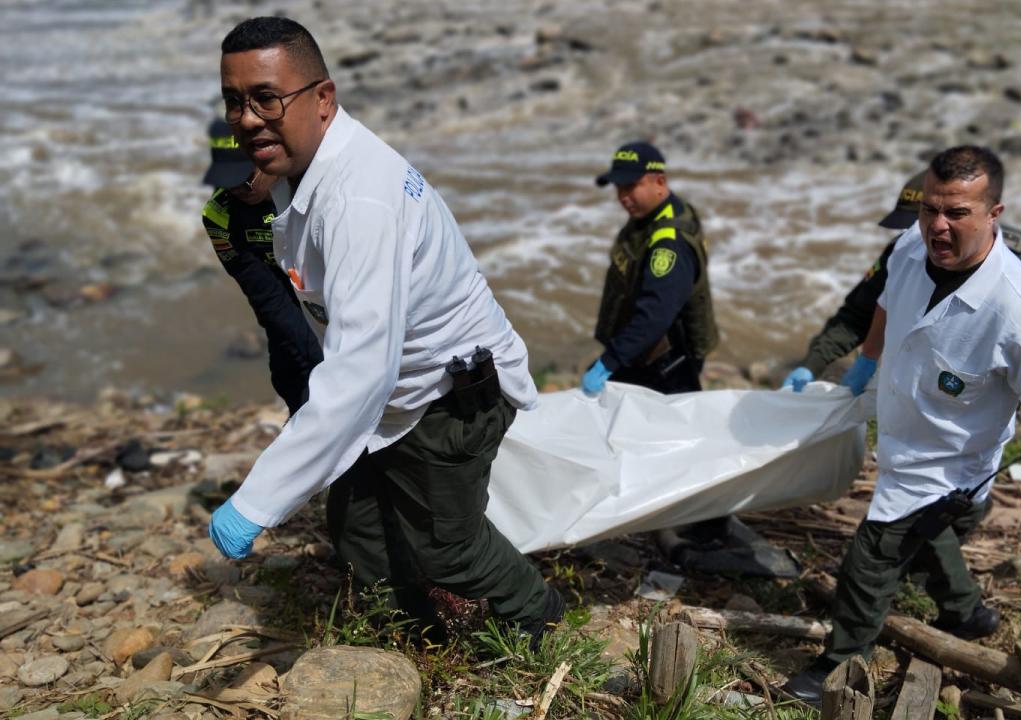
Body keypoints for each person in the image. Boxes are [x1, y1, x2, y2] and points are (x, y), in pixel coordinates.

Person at [206, 16, 562, 644]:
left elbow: (360, 371)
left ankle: (539, 616)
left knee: (450, 551)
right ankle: (418, 633)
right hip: (396, 391)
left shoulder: (359, 200)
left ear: (323, 99)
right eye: (234, 101)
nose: (248, 118)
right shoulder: (295, 165)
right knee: (360, 535)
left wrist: (254, 502)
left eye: (267, 97)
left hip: (449, 396)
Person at [781, 146, 1021, 702]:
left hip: (952, 464)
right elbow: (884, 300)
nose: (938, 226)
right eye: (931, 209)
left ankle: (839, 664)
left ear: (994, 214)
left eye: (957, 213)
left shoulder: (1017, 309)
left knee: (870, 561)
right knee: (930, 542)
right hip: (904, 438)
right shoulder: (910, 246)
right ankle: (967, 613)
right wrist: (865, 363)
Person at [784, 170, 1021, 418]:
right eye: (918, 222)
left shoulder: (1018, 261)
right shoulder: (902, 252)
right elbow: (859, 313)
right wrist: (812, 363)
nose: (926, 234)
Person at [201, 119, 322, 415]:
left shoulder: (315, 188)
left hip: (335, 302)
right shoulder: (218, 216)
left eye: (245, 177)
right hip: (288, 317)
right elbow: (265, 297)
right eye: (226, 181)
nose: (238, 189)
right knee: (295, 381)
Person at [582, 141, 719, 396]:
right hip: (642, 351)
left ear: (660, 182)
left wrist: (609, 362)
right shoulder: (652, 214)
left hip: (666, 364)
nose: (623, 196)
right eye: (619, 187)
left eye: (631, 186)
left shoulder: (669, 244)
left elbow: (656, 313)